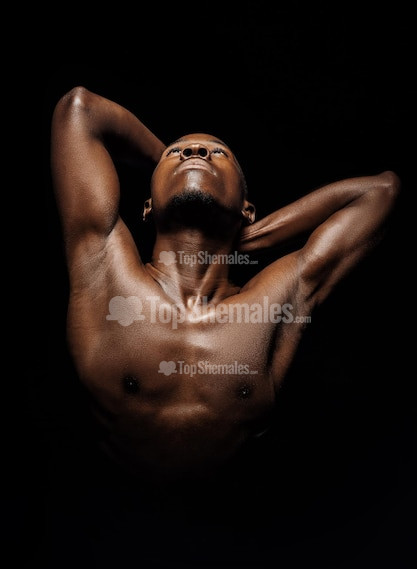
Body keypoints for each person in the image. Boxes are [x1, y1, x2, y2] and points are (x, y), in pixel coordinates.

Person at [50, 86, 400, 483]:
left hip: (240, 518)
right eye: (178, 151)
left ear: (247, 210)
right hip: (105, 511)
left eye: (218, 153)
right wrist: (180, 170)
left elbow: (380, 192)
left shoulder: (275, 298)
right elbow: (80, 108)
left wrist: (247, 232)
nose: (195, 151)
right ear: (147, 206)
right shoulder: (103, 266)